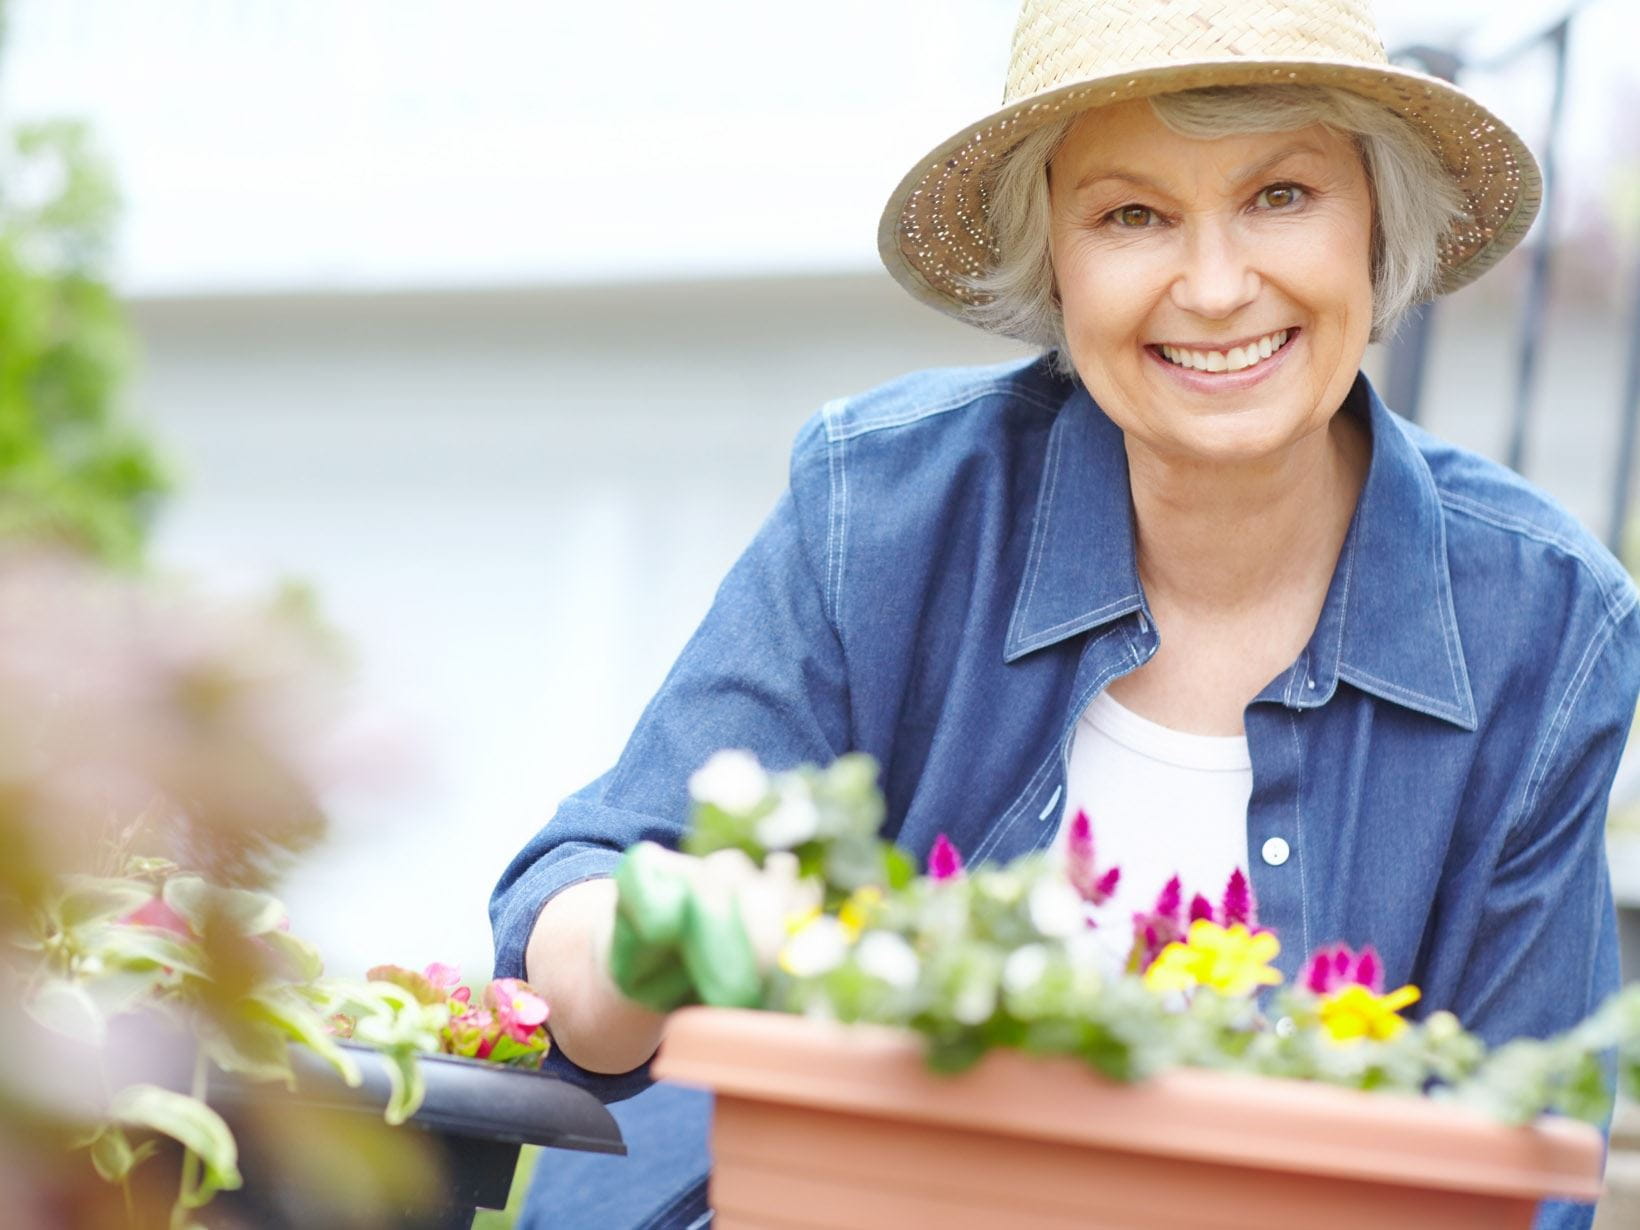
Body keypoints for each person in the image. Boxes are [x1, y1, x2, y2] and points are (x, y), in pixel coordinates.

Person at [491, 2, 1639, 1227]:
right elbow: (574, 918)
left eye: (1281, 195)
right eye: (1129, 214)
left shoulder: (1539, 622)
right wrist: (644, 937)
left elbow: (1530, 1156)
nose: (1211, 286)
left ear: (1376, 220)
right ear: (1051, 258)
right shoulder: (885, 508)